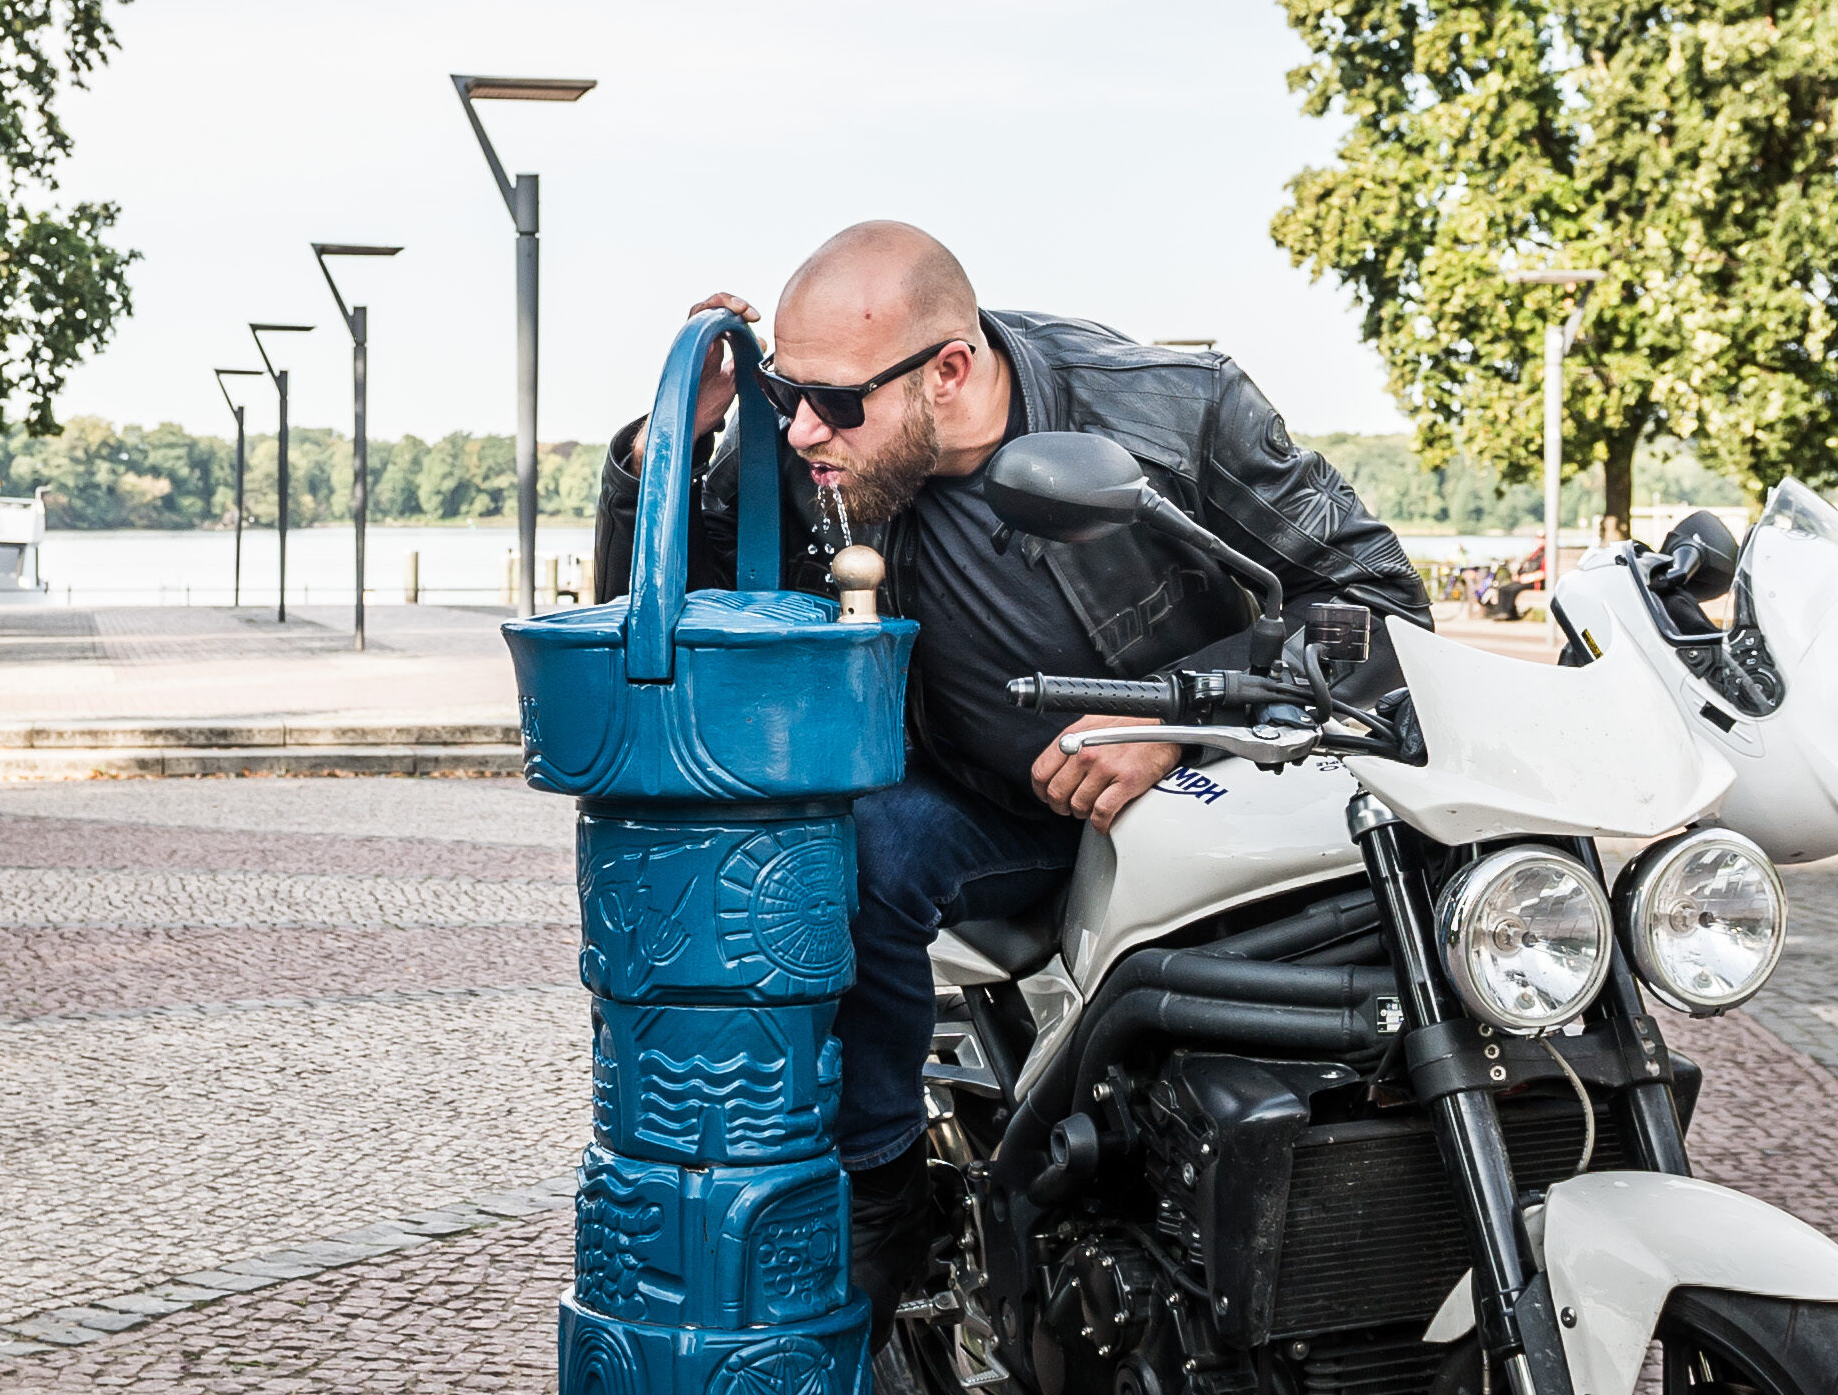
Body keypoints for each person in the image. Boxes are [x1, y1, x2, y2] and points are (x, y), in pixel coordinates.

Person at [593, 220, 1426, 1316]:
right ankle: (886, 1185)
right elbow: (647, 622)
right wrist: (663, 455)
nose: (799, 429)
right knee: (856, 850)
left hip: (1204, 804)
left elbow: (1378, 605)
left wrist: (1185, 715)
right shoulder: (821, 454)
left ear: (948, 369)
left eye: (832, 401)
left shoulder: (1174, 408)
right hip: (982, 805)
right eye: (787, 392)